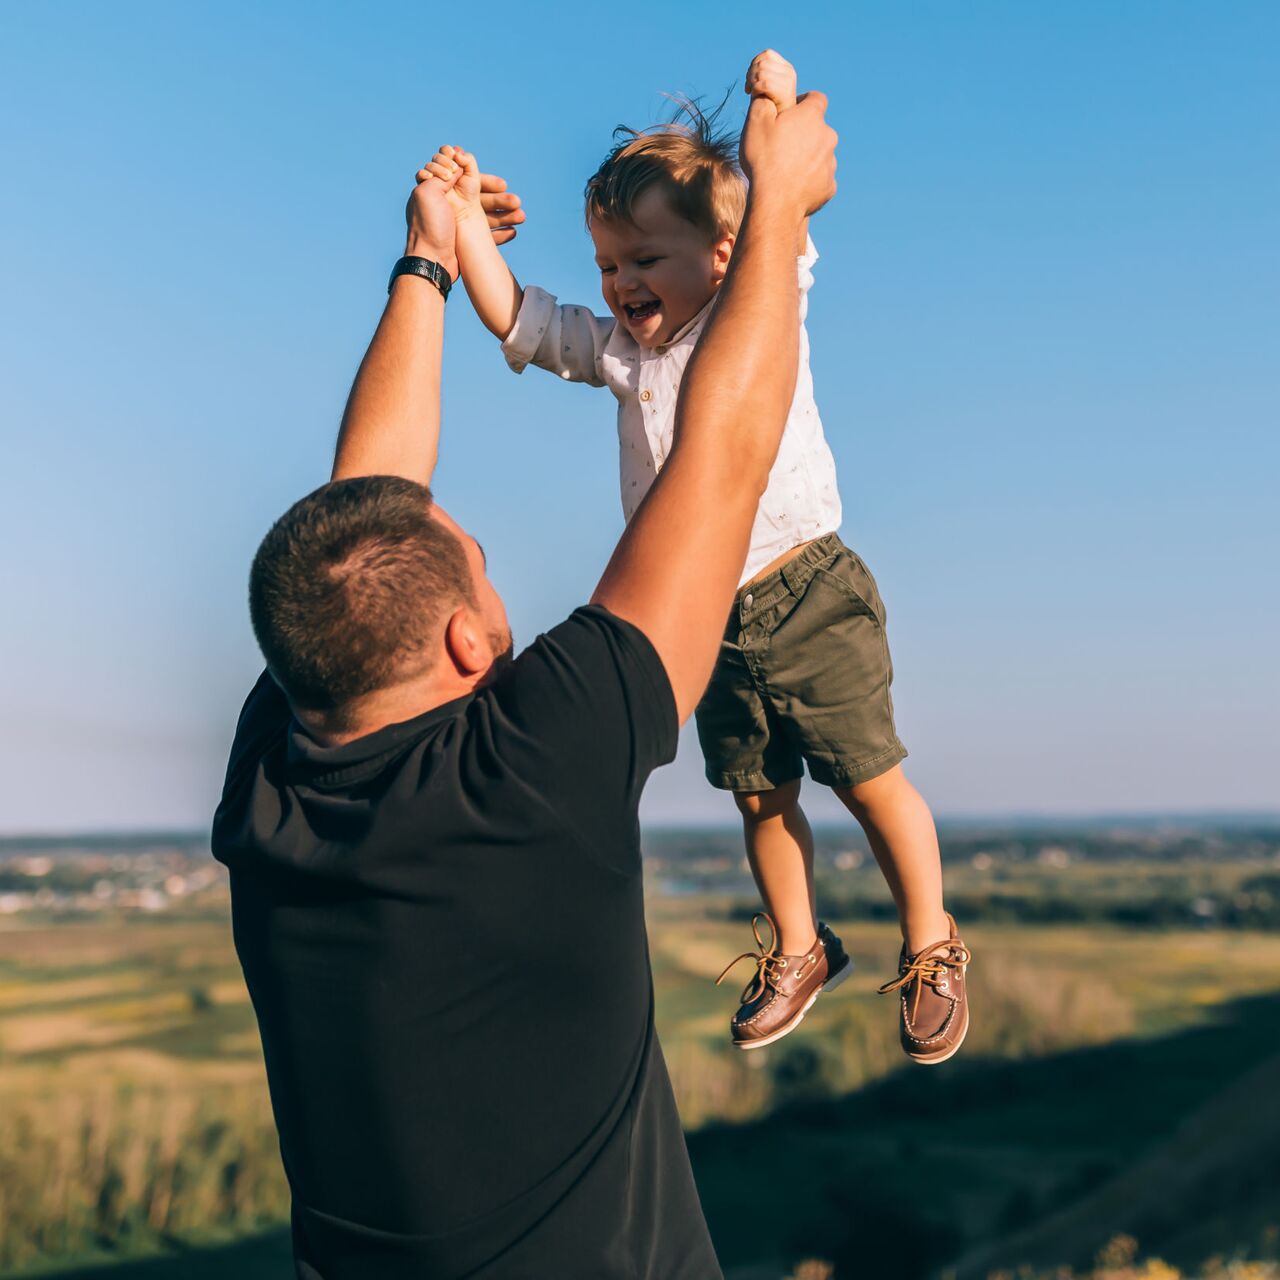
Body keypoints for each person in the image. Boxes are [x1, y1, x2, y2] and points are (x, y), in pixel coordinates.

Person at [211, 83, 838, 1279]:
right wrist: (778, 217)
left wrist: (428, 260)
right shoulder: (531, 766)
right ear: (461, 642)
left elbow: (363, 511)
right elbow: (726, 450)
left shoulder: (282, 769)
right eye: (479, 564)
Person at [426, 49, 972, 1061]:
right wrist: (459, 228)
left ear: (721, 255)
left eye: (643, 258)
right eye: (608, 265)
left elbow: (782, 224)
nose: (621, 282)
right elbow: (523, 319)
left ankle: (931, 940)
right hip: (707, 612)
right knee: (758, 794)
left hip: (806, 585)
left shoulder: (749, 307)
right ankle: (801, 946)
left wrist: (769, 102)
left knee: (868, 777)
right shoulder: (624, 355)